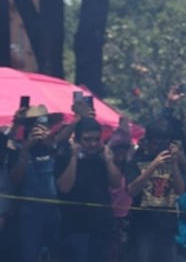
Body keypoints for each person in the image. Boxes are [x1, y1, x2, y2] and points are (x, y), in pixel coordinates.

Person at [57, 116, 121, 262]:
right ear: (77, 139)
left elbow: (116, 183)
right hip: (75, 227)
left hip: (102, 227)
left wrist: (109, 160)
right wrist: (73, 157)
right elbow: (64, 188)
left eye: (96, 139)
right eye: (88, 139)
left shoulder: (101, 159)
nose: (93, 144)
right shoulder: (64, 157)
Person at [9, 104, 65, 262]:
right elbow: (16, 179)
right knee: (29, 254)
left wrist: (50, 145)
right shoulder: (18, 148)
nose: (38, 130)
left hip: (54, 210)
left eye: (42, 125)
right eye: (33, 125)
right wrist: (26, 150)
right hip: (28, 213)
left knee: (54, 254)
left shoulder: (57, 147)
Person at [127, 120, 186, 262]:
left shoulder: (173, 162)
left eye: (164, 144)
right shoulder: (136, 162)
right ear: (148, 142)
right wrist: (153, 166)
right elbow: (132, 190)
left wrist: (174, 164)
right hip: (142, 225)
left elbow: (181, 191)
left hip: (167, 226)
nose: (161, 148)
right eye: (157, 144)